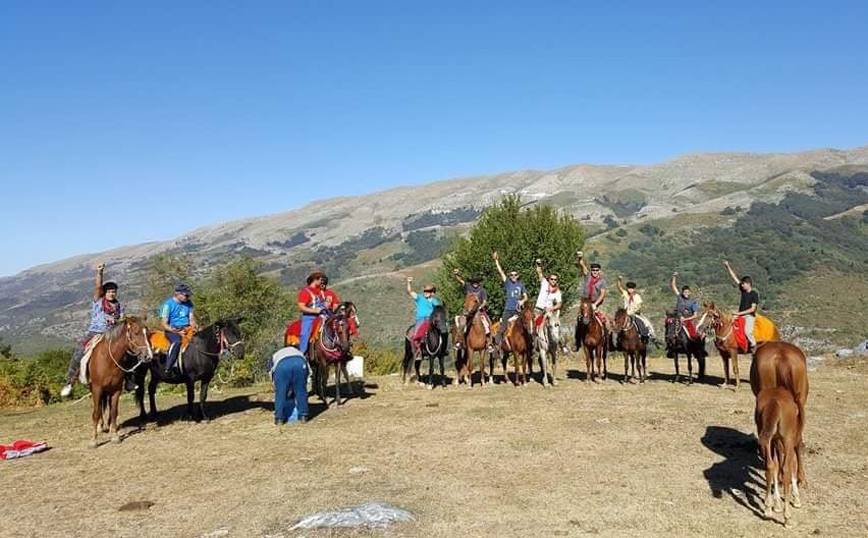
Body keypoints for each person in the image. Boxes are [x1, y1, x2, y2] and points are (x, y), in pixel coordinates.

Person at [61, 262, 125, 397]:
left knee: (129, 352)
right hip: (96, 333)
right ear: (105, 292)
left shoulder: (119, 305)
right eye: (109, 291)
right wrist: (100, 273)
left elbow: (121, 321)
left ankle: (129, 380)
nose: (112, 293)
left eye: (113, 291)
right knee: (79, 351)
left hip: (112, 336)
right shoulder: (99, 300)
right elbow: (97, 287)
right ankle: (70, 381)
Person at [492, 251, 528, 346]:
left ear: (518, 276)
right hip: (508, 309)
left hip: (518, 310)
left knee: (527, 325)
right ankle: (496, 346)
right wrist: (496, 260)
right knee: (502, 327)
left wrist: (522, 301)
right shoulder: (507, 282)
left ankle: (531, 345)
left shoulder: (521, 284)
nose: (513, 276)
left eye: (515, 275)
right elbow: (500, 272)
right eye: (511, 275)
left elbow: (526, 297)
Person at [160, 283, 197, 374]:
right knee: (176, 342)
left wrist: (195, 326)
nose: (188, 297)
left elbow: (191, 319)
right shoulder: (167, 305)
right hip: (172, 330)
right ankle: (169, 367)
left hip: (187, 328)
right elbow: (164, 324)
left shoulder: (189, 303)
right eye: (186, 295)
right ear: (178, 294)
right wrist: (176, 331)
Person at [267, 346, 309, 425]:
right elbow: (307, 372)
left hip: (282, 366)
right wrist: (303, 383)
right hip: (300, 363)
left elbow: (269, 370)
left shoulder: (275, 354)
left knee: (280, 393)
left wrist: (274, 384)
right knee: (301, 391)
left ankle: (279, 418)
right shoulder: (299, 352)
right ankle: (303, 416)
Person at [724, 261, 759, 349]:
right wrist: (728, 266)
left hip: (749, 316)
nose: (742, 285)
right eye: (742, 284)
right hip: (740, 315)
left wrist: (739, 313)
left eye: (743, 284)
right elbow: (734, 277)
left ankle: (754, 345)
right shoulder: (743, 290)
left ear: (748, 284)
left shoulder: (754, 294)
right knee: (727, 324)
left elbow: (752, 309)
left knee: (747, 331)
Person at [616, 276, 657, 345]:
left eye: (631, 288)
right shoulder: (626, 294)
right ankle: (619, 340)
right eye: (629, 288)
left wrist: (632, 312)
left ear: (634, 289)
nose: (630, 290)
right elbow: (619, 287)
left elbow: (639, 306)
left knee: (646, 323)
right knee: (619, 323)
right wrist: (619, 280)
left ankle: (650, 336)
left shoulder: (637, 296)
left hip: (635, 314)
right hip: (626, 314)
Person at [406, 277, 441, 357]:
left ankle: (442, 350)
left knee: (442, 332)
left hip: (431, 320)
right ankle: (418, 351)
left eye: (428, 291)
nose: (426, 292)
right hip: (421, 320)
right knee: (414, 336)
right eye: (425, 291)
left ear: (432, 293)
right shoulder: (420, 298)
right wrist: (409, 282)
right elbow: (410, 292)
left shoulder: (435, 301)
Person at [453, 269, 491, 337]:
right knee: (462, 323)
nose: (475, 283)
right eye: (473, 282)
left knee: (487, 323)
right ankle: (459, 340)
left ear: (479, 282)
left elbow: (485, 301)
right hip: (467, 311)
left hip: (478, 310)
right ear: (471, 282)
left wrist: (480, 307)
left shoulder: (482, 290)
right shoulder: (468, 286)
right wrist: (456, 274)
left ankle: (489, 342)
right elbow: (460, 281)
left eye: (476, 282)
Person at [297, 271, 327, 355]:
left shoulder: (319, 291)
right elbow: (301, 307)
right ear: (315, 280)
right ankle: (301, 353)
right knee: (304, 334)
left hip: (322, 316)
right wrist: (314, 311)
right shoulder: (305, 291)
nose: (322, 282)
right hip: (309, 318)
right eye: (321, 280)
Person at [670, 272, 700, 340]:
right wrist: (674, 277)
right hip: (677, 319)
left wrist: (685, 319)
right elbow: (673, 286)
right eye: (684, 292)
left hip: (687, 321)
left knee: (693, 336)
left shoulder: (693, 302)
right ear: (682, 292)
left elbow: (695, 315)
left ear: (689, 292)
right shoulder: (679, 297)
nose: (686, 293)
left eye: (687, 292)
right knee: (668, 325)